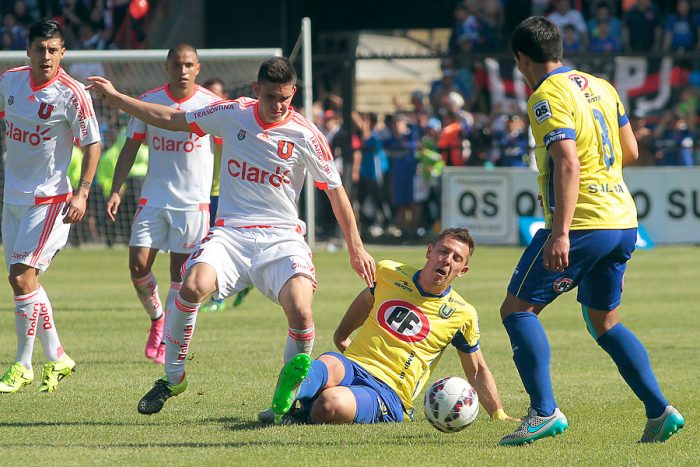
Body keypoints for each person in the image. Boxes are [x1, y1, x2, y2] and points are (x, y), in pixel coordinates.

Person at [88, 56, 376, 414]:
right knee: (191, 285)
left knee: (301, 312)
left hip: (281, 237)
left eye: (285, 97)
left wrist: (356, 248)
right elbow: (171, 119)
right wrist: (117, 99)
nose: (278, 105)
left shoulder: (306, 134)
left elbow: (335, 191)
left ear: (294, 93)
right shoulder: (232, 113)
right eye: (271, 96)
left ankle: (287, 400)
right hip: (231, 234)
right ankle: (173, 378)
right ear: (256, 90)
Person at [498, 16, 685, 446]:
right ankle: (659, 410)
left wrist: (560, 232)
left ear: (521, 59)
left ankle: (544, 412)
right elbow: (631, 150)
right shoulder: (601, 85)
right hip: (622, 220)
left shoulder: (545, 96)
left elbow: (566, 160)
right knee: (604, 320)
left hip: (581, 222)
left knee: (517, 310)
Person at [264, 228, 518, 426]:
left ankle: (298, 406)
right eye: (443, 251)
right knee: (326, 364)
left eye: (456, 258)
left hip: (389, 392)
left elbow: (476, 370)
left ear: (463, 270)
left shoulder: (462, 313)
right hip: (354, 363)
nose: (447, 260)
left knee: (329, 404)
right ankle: (286, 398)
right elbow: (367, 299)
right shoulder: (389, 272)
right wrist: (342, 335)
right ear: (429, 252)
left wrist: (498, 413)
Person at [0, 19, 101, 393]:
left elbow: (93, 144)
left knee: (20, 277)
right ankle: (57, 355)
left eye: (53, 50)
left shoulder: (72, 94)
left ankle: (22, 364)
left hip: (51, 199)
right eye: (40, 49)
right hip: (13, 198)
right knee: (28, 282)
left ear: (62, 53)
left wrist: (83, 192)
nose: (46, 56)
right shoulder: (10, 81)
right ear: (28, 51)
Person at [105, 44, 222, 365]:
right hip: (153, 199)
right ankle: (157, 318)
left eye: (188, 65)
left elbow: (227, 150)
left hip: (193, 204)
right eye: (176, 65)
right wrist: (116, 189)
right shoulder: (148, 100)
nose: (182, 70)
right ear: (167, 67)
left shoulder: (211, 105)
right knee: (137, 266)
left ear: (198, 68)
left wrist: (224, 194)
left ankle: (169, 335)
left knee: (179, 276)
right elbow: (130, 147)